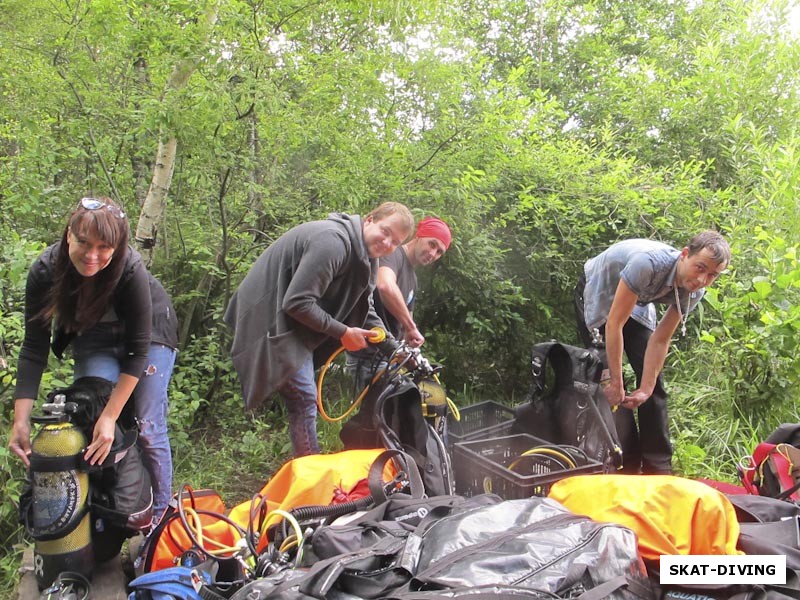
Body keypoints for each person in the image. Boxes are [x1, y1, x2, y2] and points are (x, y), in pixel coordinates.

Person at [9, 196, 179, 521]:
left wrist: (112, 416)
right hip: (94, 336)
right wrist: (21, 420)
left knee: (147, 426)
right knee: (91, 417)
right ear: (69, 235)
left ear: (117, 246)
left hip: (151, 334)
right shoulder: (46, 270)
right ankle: (109, 515)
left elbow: (137, 351)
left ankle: (159, 520)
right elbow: (34, 348)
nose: (91, 256)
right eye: (84, 243)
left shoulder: (129, 268)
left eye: (104, 247)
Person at [224, 202, 414, 457]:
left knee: (303, 398)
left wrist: (394, 348)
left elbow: (364, 308)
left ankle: (307, 468)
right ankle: (311, 474)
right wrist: (343, 332)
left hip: (292, 321)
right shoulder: (332, 242)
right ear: (369, 220)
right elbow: (297, 302)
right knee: (304, 397)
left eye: (395, 242)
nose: (388, 243)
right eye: (386, 232)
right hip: (266, 316)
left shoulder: (368, 260)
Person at [574, 230, 730, 475]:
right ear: (685, 255)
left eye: (712, 275)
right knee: (608, 382)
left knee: (653, 380)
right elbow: (614, 323)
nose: (702, 279)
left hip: (637, 300)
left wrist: (646, 388)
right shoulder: (646, 264)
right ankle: (625, 461)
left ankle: (657, 466)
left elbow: (660, 340)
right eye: (700, 268)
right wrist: (615, 380)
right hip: (600, 290)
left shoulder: (694, 291)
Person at [347, 216, 452, 390]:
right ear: (419, 235)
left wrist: (411, 349)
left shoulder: (413, 279)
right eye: (431, 244)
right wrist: (411, 327)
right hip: (369, 357)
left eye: (439, 252)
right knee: (376, 415)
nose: (433, 254)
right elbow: (385, 285)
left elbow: (405, 327)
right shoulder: (393, 255)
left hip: (389, 358)